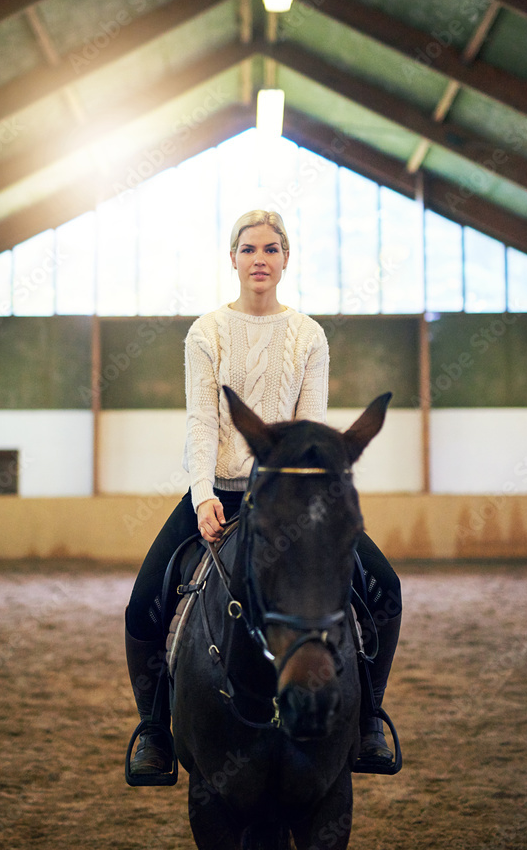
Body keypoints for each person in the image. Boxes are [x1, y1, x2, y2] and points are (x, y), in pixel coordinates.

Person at [125, 209, 402, 779]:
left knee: (385, 589)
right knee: (144, 602)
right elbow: (203, 422)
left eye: (271, 249)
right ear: (233, 258)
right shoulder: (207, 331)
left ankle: (369, 719)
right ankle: (155, 731)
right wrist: (203, 495)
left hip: (291, 497)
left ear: (285, 259)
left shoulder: (308, 334)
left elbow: (312, 425)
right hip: (218, 491)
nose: (260, 259)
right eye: (249, 249)